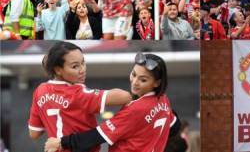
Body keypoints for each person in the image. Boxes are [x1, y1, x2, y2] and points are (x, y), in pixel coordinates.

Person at [44, 52, 181, 152]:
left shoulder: (136, 109)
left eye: (143, 80)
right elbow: (175, 127)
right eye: (134, 74)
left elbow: (98, 136)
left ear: (157, 83)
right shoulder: (163, 100)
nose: (135, 82)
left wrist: (62, 142)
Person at [28, 41, 132, 148]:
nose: (82, 70)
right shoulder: (78, 93)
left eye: (83, 63)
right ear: (58, 70)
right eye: (75, 66)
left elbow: (34, 133)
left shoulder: (40, 90)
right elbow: (125, 96)